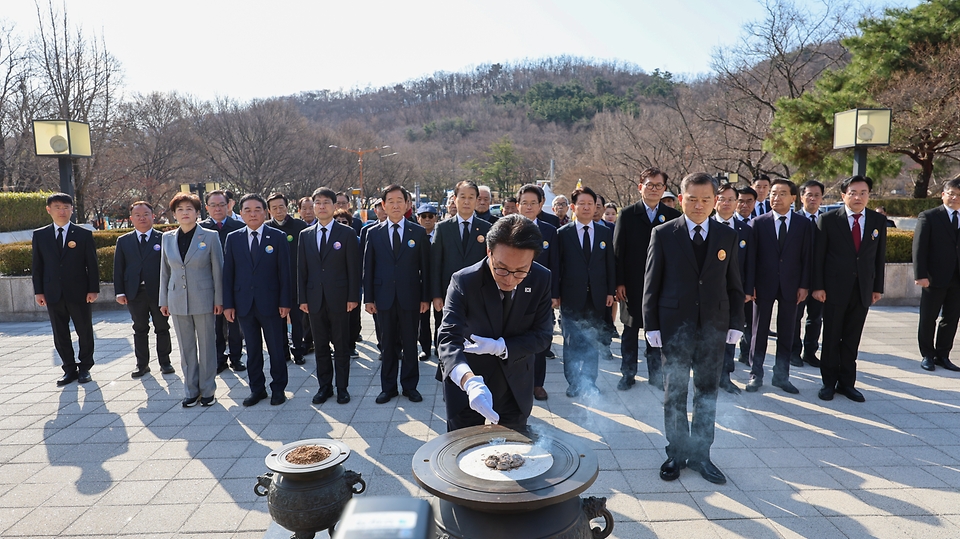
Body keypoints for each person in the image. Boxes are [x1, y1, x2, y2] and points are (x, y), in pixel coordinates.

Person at [643, 172, 744, 486]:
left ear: (715, 202)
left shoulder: (726, 235)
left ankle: (701, 454)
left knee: (706, 394)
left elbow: (734, 285)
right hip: (674, 328)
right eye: (692, 199)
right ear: (681, 198)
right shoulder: (663, 233)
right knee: (675, 394)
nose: (699, 205)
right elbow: (651, 283)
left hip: (713, 327)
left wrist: (735, 325)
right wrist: (651, 326)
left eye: (705, 200)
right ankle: (676, 452)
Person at [438, 215, 553, 431]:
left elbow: (543, 335)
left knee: (513, 453)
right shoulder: (464, 280)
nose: (509, 279)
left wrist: (501, 347)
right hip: (469, 381)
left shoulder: (541, 278)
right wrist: (468, 381)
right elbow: (447, 338)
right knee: (463, 451)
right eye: (501, 268)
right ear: (489, 252)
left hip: (515, 382)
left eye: (520, 271)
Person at [812, 175, 886, 403]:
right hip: (834, 289)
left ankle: (847, 383)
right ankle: (828, 383)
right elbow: (818, 257)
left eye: (863, 192)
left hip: (862, 290)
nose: (858, 197)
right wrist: (818, 286)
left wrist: (877, 287)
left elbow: (878, 257)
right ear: (843, 195)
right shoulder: (828, 219)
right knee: (832, 337)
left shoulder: (877, 220)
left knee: (852, 339)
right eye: (853, 192)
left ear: (869, 195)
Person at [613, 167, 682, 391]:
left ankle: (656, 373)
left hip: (662, 284)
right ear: (640, 186)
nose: (654, 189)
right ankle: (628, 373)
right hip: (632, 283)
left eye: (658, 185)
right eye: (649, 185)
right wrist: (619, 281)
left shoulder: (672, 216)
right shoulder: (627, 214)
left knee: (657, 330)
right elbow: (618, 251)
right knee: (630, 331)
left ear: (664, 189)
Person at [363, 185, 431, 404]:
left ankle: (410, 386)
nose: (395, 205)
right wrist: (369, 298)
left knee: (411, 343)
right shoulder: (373, 233)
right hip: (383, 298)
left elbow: (425, 268)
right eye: (390, 201)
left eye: (399, 200)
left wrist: (425, 298)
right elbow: (368, 268)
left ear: (407, 205)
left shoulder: (418, 232)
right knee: (388, 344)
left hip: (410, 297)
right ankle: (388, 387)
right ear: (383, 206)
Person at [744, 179, 812, 395]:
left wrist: (804, 285)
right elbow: (751, 259)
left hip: (791, 286)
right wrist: (750, 285)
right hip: (763, 285)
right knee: (758, 330)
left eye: (782, 193)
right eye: (773, 193)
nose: (776, 197)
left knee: (787, 331)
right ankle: (756, 374)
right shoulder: (758, 222)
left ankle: (781, 376)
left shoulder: (803, 224)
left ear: (793, 198)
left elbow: (807, 258)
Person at [223, 194, 291, 406]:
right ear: (240, 213)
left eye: (257, 209)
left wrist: (285, 302)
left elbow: (285, 273)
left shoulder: (277, 237)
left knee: (276, 349)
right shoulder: (233, 238)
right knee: (252, 350)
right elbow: (228, 274)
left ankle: (278, 389)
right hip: (244, 304)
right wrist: (228, 304)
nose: (253, 214)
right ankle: (257, 389)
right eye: (248, 210)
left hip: (271, 303)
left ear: (265, 212)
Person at [160, 192, 223, 407]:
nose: (184, 213)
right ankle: (190, 389)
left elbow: (218, 270)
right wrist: (164, 300)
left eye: (189, 209)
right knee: (186, 348)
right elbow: (164, 272)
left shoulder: (210, 236)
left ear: (197, 213)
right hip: (177, 299)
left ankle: (208, 390)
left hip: (204, 298)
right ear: (174, 214)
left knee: (206, 347)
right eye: (180, 210)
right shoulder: (167, 238)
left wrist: (219, 299)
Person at [299, 188, 361, 405]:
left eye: (326, 202)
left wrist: (354, 296)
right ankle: (324, 387)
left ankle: (342, 388)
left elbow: (354, 268)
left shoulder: (346, 234)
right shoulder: (305, 235)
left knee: (342, 346)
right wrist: (303, 299)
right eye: (317, 202)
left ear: (335, 206)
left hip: (340, 299)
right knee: (321, 345)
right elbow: (302, 270)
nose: (321, 206)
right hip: (315, 299)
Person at [32, 193, 99, 386]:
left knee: (84, 331)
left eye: (66, 207)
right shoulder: (40, 235)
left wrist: (93, 289)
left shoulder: (83, 234)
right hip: (53, 292)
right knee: (60, 333)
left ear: (72, 210)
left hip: (79, 291)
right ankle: (69, 368)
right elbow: (37, 266)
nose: (62, 211)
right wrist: (39, 291)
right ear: (49, 210)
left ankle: (85, 367)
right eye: (57, 207)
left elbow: (92, 265)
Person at [557, 186, 615, 397]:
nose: (586, 207)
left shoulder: (604, 232)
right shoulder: (563, 234)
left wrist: (610, 291)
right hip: (571, 296)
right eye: (582, 204)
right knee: (571, 342)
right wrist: (556, 294)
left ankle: (590, 382)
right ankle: (573, 382)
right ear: (573, 207)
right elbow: (558, 266)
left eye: (590, 204)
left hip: (597, 297)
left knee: (592, 340)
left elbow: (610, 264)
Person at [114, 201, 174, 378]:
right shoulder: (124, 241)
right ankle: (142, 365)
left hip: (158, 291)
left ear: (153, 216)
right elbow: (119, 268)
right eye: (138, 215)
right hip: (134, 292)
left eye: (146, 214)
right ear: (131, 218)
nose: (142, 218)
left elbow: (170, 267)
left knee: (162, 327)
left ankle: (165, 362)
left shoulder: (163, 238)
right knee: (140, 328)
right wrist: (120, 292)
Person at [517, 184, 560, 401]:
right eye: (524, 202)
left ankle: (538, 384)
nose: (529, 206)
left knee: (540, 339)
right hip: (513, 292)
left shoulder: (550, 230)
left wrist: (555, 293)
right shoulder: (508, 228)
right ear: (518, 205)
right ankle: (516, 382)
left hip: (541, 294)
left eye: (533, 202)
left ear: (541, 204)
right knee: (515, 338)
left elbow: (556, 264)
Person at [913, 178, 960, 373]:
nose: (955, 198)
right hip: (934, 277)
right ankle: (927, 355)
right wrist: (920, 274)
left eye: (959, 195)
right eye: (951, 194)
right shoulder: (929, 216)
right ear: (943, 195)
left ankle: (943, 355)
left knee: (951, 318)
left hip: (957, 279)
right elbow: (919, 248)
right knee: (928, 317)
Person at [199, 190, 246, 374]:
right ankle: (219, 359)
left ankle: (236, 357)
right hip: (210, 284)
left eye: (221, 204)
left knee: (234, 322)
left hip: (235, 282)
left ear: (229, 206)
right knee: (216, 325)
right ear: (207, 207)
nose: (217, 208)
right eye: (213, 205)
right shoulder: (200, 229)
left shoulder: (238, 227)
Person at [712, 184, 751, 394]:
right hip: (712, 293)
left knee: (731, 334)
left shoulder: (746, 230)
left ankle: (725, 376)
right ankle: (709, 374)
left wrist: (748, 289)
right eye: (722, 198)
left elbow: (751, 264)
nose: (726, 203)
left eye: (730, 199)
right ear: (715, 201)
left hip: (736, 293)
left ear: (737, 203)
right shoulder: (706, 226)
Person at [266, 193, 309, 365]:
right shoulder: (266, 228)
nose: (278, 211)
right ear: (269, 211)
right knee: (278, 320)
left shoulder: (299, 227)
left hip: (295, 281)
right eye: (274, 208)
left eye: (281, 206)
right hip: (274, 283)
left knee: (298, 320)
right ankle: (283, 351)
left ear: (287, 207)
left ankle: (298, 350)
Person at [792, 180, 826, 367]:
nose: (813, 199)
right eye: (809, 195)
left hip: (819, 279)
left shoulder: (828, 220)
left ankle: (810, 352)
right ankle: (793, 351)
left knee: (815, 318)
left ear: (821, 198)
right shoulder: (793, 220)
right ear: (801, 197)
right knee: (794, 317)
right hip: (797, 279)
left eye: (817, 195)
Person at [417, 203, 442, 360]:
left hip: (438, 281)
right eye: (423, 216)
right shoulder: (415, 235)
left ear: (436, 218)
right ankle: (425, 347)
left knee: (440, 317)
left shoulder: (442, 233)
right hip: (421, 283)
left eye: (430, 216)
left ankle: (440, 347)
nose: (427, 220)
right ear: (418, 218)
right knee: (423, 318)